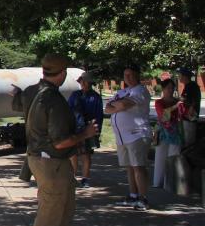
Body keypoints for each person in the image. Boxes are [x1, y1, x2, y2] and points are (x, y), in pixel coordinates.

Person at [25, 54, 97, 226]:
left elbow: (19, 101)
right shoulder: (51, 99)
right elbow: (59, 142)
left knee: (63, 213)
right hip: (51, 162)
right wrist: (84, 134)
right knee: (50, 216)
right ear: (63, 73)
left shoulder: (38, 92)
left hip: (52, 162)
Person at [105, 65, 153, 211]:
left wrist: (118, 105)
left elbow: (124, 103)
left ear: (137, 75)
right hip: (122, 137)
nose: (127, 78)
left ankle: (143, 198)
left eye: (131, 75)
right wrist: (117, 105)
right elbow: (108, 108)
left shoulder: (140, 90)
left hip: (137, 134)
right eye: (125, 75)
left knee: (138, 167)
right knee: (129, 167)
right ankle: (133, 195)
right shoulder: (122, 91)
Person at [67, 71, 103, 188]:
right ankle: (72, 177)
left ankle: (85, 178)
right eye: (82, 81)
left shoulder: (95, 97)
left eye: (85, 81)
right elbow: (68, 110)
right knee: (73, 155)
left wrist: (97, 130)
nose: (83, 84)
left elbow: (99, 115)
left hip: (88, 128)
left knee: (86, 154)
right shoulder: (75, 95)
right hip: (74, 127)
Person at [152, 75, 183, 190]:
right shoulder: (159, 102)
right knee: (160, 157)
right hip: (163, 133)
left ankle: (169, 183)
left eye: (172, 88)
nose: (170, 90)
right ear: (163, 89)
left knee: (173, 157)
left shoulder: (178, 102)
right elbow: (163, 116)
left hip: (175, 133)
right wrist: (175, 106)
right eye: (168, 88)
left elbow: (186, 115)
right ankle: (158, 182)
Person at [10, 81, 41, 182]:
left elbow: (17, 107)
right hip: (37, 130)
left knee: (33, 152)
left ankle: (26, 175)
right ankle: (27, 175)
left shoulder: (30, 93)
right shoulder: (41, 95)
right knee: (35, 152)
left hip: (32, 130)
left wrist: (18, 95)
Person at [177, 67, 200, 148]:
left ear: (185, 76)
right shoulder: (188, 86)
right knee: (186, 140)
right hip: (186, 118)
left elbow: (194, 100)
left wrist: (191, 107)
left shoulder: (192, 86)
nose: (178, 77)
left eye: (179, 75)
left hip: (190, 118)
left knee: (189, 142)